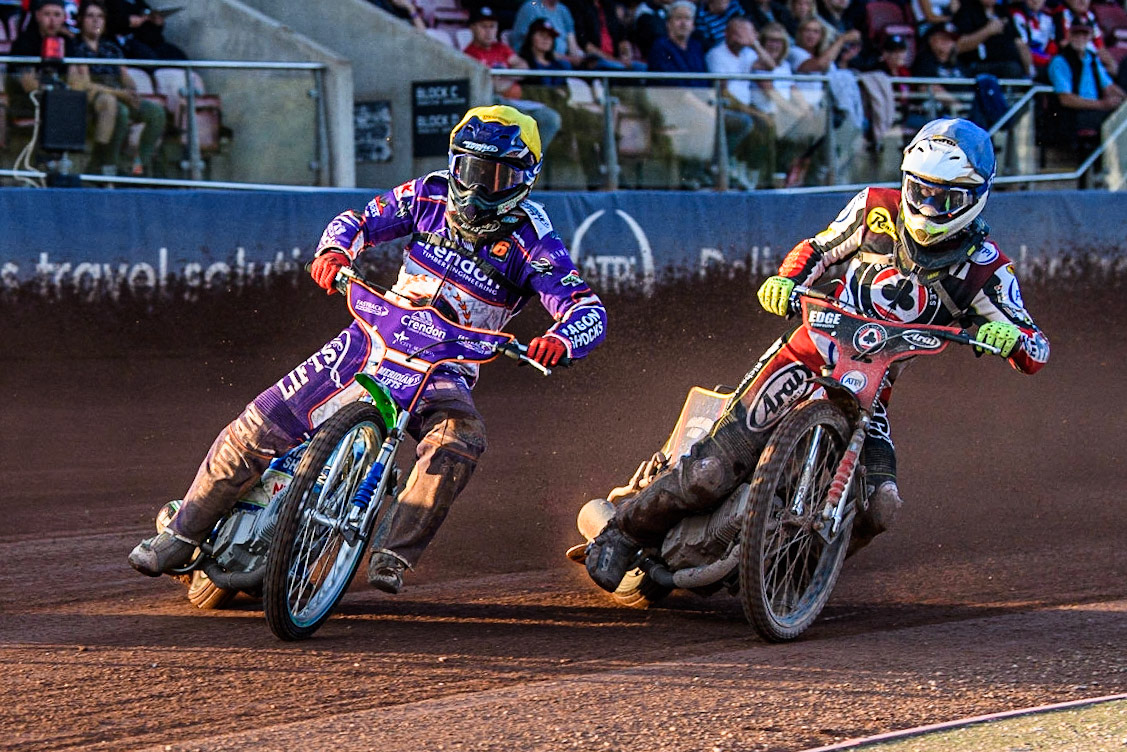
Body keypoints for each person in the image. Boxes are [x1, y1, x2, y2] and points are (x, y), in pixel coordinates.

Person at [129, 105, 609, 595]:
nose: (478, 187)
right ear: (454, 163)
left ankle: (393, 554)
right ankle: (180, 535)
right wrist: (336, 251)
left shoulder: (535, 240)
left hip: (446, 364)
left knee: (460, 437)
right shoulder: (430, 192)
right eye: (469, 169)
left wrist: (562, 339)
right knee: (260, 420)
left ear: (525, 177)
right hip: (375, 334)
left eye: (496, 175)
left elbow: (585, 307)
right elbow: (358, 220)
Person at [585, 117, 1049, 593]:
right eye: (920, 191)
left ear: (975, 197)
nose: (928, 207)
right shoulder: (875, 209)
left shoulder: (987, 270)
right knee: (710, 470)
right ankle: (623, 532)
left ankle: (792, 571)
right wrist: (788, 280)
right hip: (808, 353)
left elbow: (1035, 343)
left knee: (882, 505)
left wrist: (1009, 339)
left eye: (945, 198)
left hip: (871, 390)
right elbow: (819, 248)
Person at [69, 0, 167, 176]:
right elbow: (83, 84)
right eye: (90, 16)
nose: (95, 21)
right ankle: (108, 166)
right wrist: (120, 94)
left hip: (119, 93)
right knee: (119, 111)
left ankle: (139, 165)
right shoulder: (76, 47)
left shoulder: (112, 47)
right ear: (81, 20)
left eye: (100, 17)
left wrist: (131, 91)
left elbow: (125, 76)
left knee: (156, 113)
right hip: (97, 97)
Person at [462, 6, 563, 149]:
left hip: (519, 101)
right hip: (495, 105)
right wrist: (509, 74)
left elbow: (523, 68)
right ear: (472, 28)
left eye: (492, 26)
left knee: (551, 119)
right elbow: (493, 87)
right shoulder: (468, 54)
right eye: (483, 26)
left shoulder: (501, 48)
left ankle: (534, 159)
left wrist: (502, 77)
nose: (488, 31)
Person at [1045, 18, 1125, 156]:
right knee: (1117, 120)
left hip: (1095, 111)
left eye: (1084, 34)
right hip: (1072, 115)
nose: (1080, 38)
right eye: (1076, 34)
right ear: (1069, 35)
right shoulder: (1060, 61)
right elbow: (1066, 99)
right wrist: (1103, 104)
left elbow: (1109, 86)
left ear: (1090, 37)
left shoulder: (1092, 59)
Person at [953, 0, 1029, 79]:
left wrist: (1030, 69)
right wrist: (988, 30)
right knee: (1012, 69)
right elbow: (958, 46)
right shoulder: (966, 11)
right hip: (978, 65)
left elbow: (1018, 41)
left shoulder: (1002, 11)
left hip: (1009, 61)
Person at [647, 0, 708, 86]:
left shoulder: (696, 47)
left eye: (687, 18)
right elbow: (671, 84)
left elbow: (705, 81)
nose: (683, 23)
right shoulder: (660, 47)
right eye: (678, 18)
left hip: (700, 96)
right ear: (668, 23)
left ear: (693, 25)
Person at [105, 0, 187, 60]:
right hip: (127, 43)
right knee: (148, 56)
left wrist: (157, 24)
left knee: (177, 55)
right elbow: (107, 22)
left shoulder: (140, 3)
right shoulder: (110, 3)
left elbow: (152, 32)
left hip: (149, 42)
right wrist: (127, 21)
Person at [510, 0, 584, 62]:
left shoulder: (563, 10)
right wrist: (568, 59)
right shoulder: (530, 7)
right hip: (535, 62)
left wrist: (579, 59)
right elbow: (531, 47)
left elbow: (572, 43)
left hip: (561, 61)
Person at [1009, 0, 1056, 81]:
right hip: (1027, 63)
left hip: (1046, 62)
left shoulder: (1048, 17)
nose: (1035, 1)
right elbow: (1022, 46)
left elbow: (1052, 46)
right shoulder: (1016, 15)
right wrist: (1048, 60)